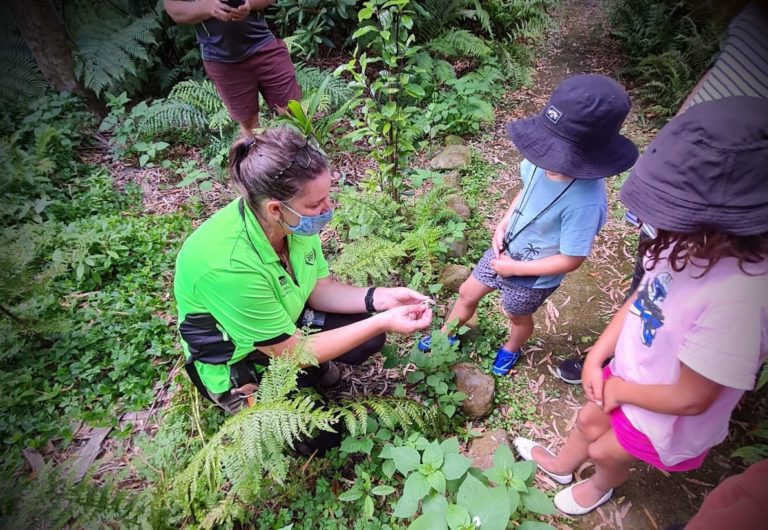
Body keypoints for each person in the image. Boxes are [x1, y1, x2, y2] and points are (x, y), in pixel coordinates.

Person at [513, 97, 768, 516]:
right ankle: (562, 466)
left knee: (609, 452)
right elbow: (642, 295)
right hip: (632, 372)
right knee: (587, 423)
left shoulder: (740, 298)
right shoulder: (683, 246)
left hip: (665, 413)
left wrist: (619, 390)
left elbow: (691, 398)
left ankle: (599, 486)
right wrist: (598, 355)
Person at [554, 0, 768, 384]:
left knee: (714, 287)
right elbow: (718, 75)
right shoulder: (755, 15)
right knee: (656, 271)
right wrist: (669, 148)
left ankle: (679, 374)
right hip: (683, 163)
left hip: (743, 190)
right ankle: (621, 355)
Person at [173, 127, 433, 414]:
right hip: (240, 358)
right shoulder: (227, 267)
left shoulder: (293, 222)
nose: (327, 209)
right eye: (315, 204)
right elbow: (294, 353)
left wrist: (381, 298)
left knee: (367, 340)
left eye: (327, 197)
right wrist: (382, 321)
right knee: (323, 437)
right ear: (275, 209)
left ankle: (312, 369)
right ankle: (242, 393)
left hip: (281, 327)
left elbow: (319, 288)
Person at [416, 74, 639, 377]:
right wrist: (504, 222)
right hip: (506, 250)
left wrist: (516, 270)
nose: (545, 155)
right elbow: (526, 192)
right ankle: (446, 334)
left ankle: (511, 348)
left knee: (516, 315)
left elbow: (571, 259)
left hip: (533, 277)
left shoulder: (585, 202)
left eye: (557, 151)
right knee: (468, 292)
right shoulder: (537, 161)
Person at [163, 0, 301, 137]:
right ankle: (262, 157)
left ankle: (308, 156)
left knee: (292, 111)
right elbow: (173, 8)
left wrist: (249, 4)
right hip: (221, 60)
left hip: (264, 45)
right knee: (249, 125)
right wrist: (208, 7)